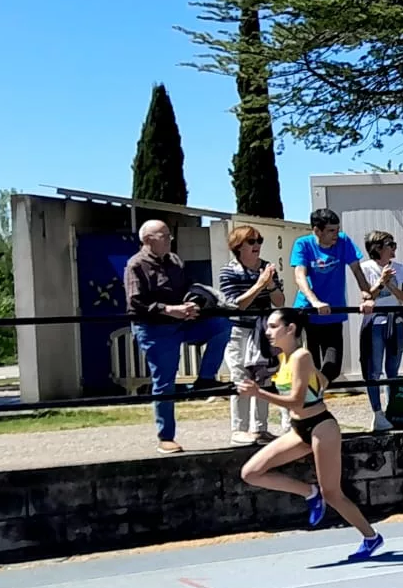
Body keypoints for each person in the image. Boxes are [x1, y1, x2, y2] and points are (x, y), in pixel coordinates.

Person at [235, 307, 384, 560]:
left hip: (321, 427)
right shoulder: (284, 357)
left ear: (290, 328)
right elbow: (317, 385)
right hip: (299, 429)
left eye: (273, 326)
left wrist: (258, 393)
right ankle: (309, 492)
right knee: (250, 473)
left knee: (332, 493)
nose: (267, 332)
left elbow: (296, 402)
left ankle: (371, 537)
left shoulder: (301, 356)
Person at [125, 220, 233, 453]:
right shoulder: (135, 265)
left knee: (221, 325)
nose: (168, 239)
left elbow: (186, 286)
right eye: (163, 235)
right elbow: (135, 302)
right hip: (154, 328)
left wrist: (193, 302)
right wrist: (169, 309)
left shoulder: (174, 260)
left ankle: (205, 380)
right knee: (164, 383)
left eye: (168, 235)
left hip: (182, 322)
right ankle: (166, 437)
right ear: (147, 240)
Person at [289, 208, 378, 382]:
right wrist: (315, 302)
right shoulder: (303, 244)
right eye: (331, 231)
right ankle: (309, 402)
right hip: (308, 312)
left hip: (333, 312)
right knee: (309, 365)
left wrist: (367, 296)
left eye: (337, 229)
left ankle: (313, 396)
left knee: (333, 367)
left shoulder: (343, 241)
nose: (336, 234)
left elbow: (357, 271)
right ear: (317, 230)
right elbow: (300, 276)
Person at [219, 225, 285, 444]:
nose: (257, 245)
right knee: (241, 378)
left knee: (263, 377)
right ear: (238, 247)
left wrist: (271, 284)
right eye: (251, 242)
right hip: (238, 331)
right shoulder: (228, 271)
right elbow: (236, 305)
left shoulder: (267, 268)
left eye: (259, 241)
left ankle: (260, 428)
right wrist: (260, 284)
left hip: (262, 331)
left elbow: (280, 301)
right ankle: (239, 429)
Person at [357, 229, 403, 433]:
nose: (394, 248)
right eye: (390, 244)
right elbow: (366, 297)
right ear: (378, 248)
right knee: (373, 370)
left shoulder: (400, 269)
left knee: (393, 369)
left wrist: (392, 286)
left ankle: (392, 410)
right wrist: (381, 281)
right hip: (374, 322)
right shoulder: (365, 268)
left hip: (396, 319)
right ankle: (377, 413)